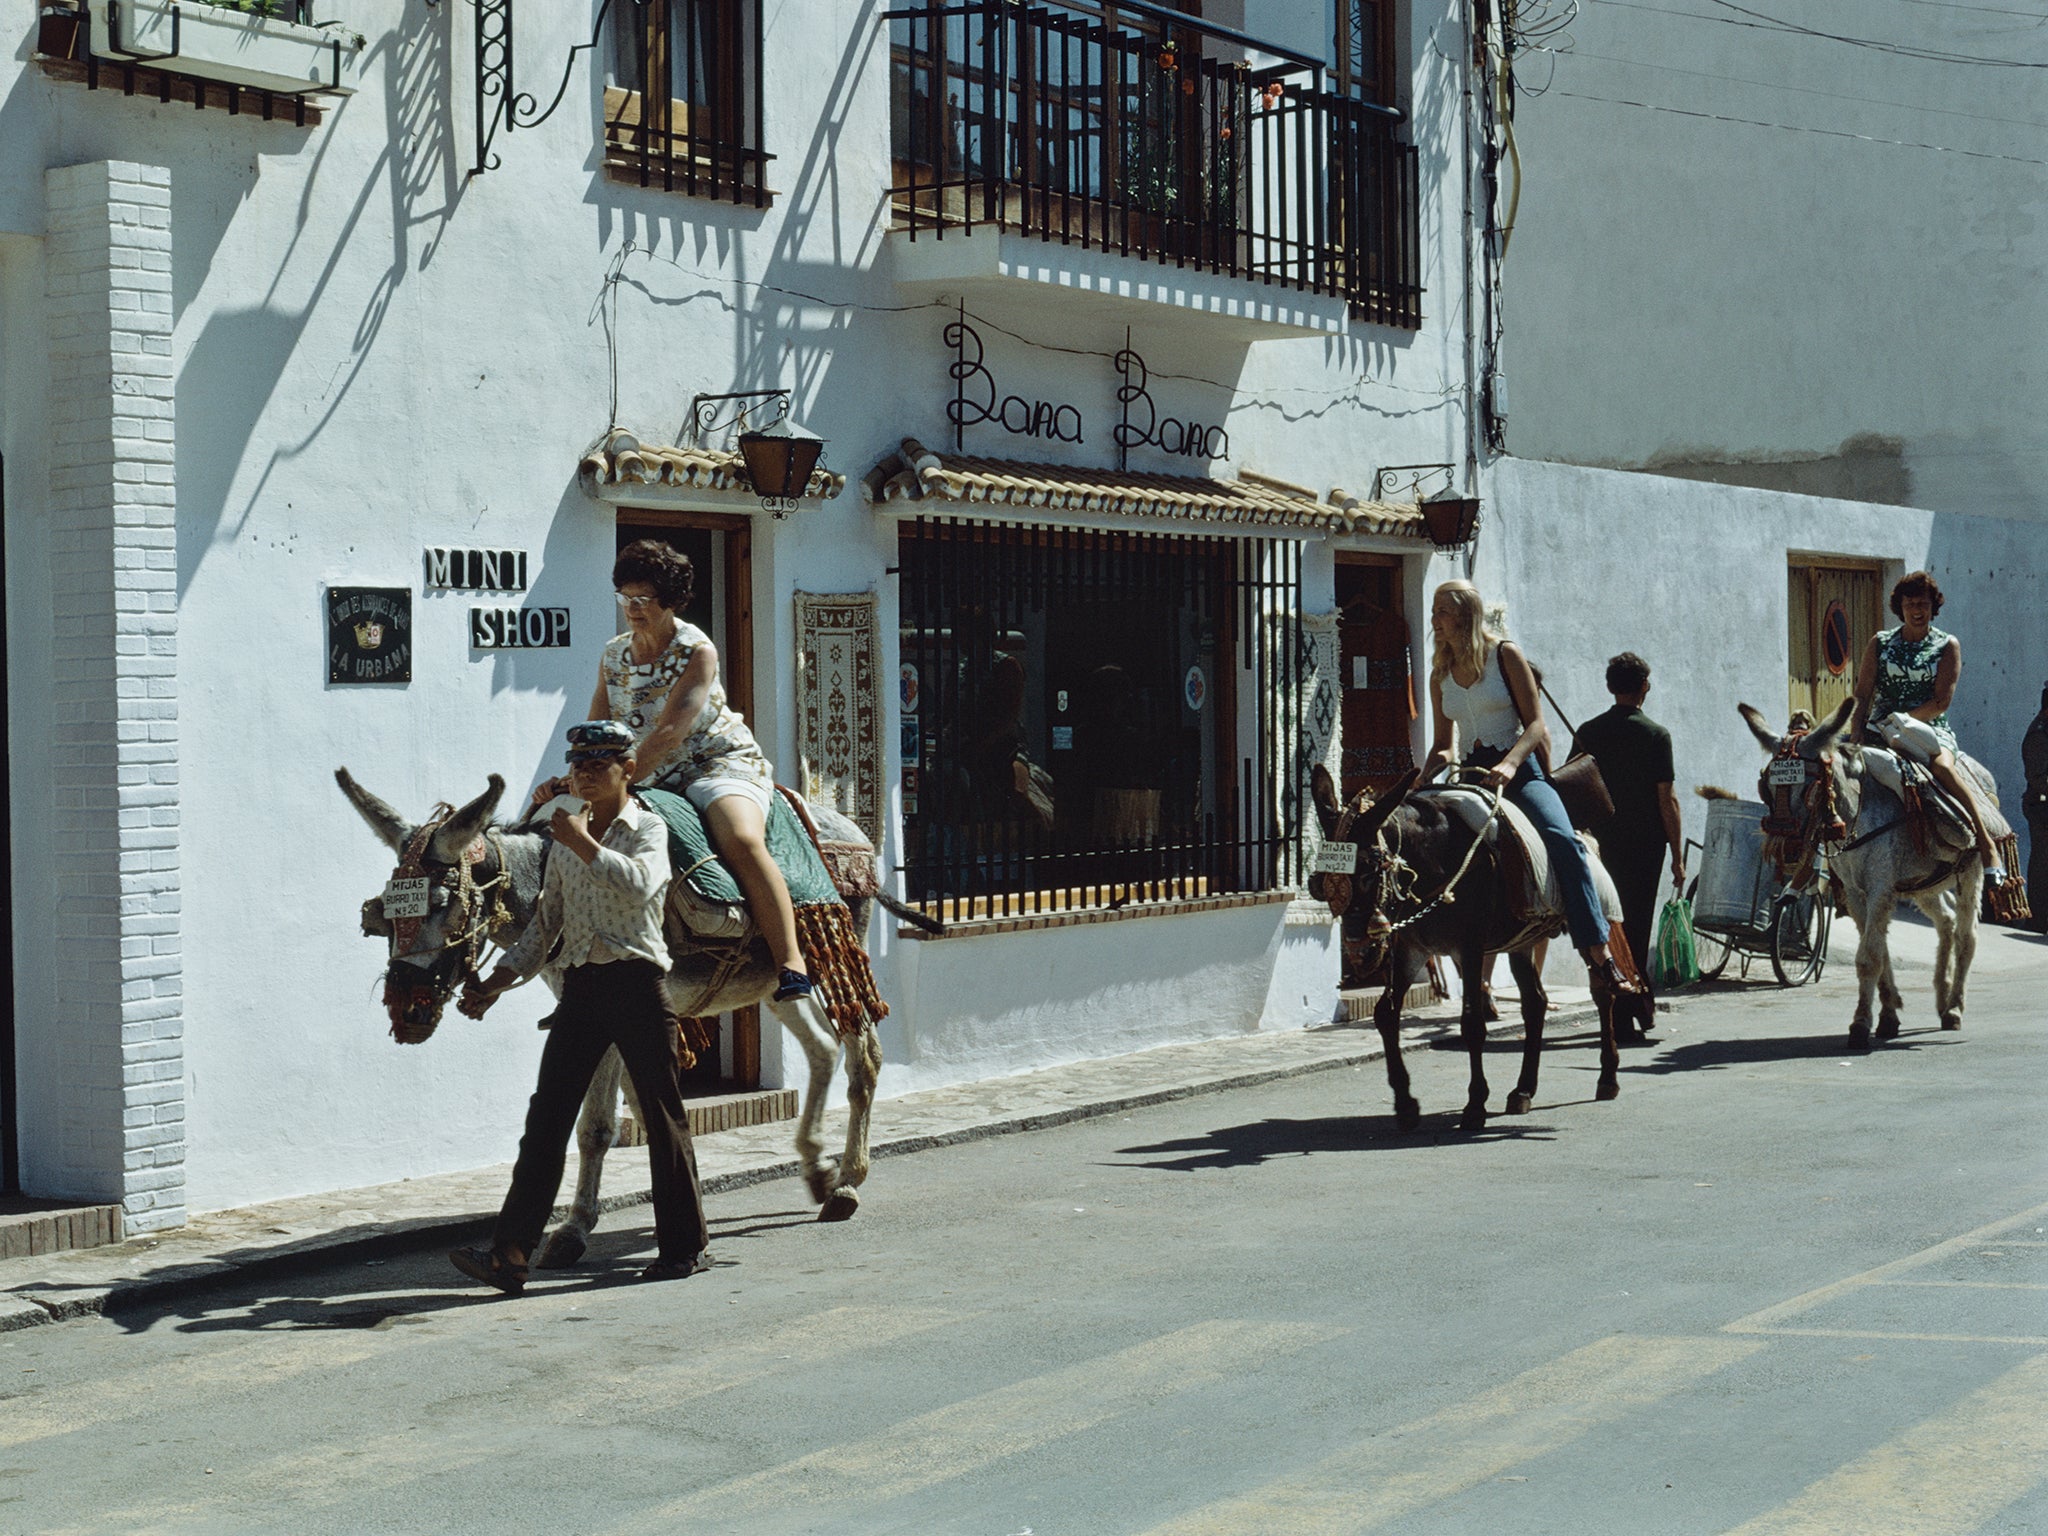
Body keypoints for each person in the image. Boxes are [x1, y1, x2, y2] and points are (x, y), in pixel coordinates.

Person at [453, 721, 712, 1292]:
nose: (585, 775)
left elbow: (641, 886)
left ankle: (684, 1248)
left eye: (599, 764)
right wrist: (496, 982)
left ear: (627, 770)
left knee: (662, 1117)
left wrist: (582, 844)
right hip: (581, 990)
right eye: (578, 765)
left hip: (638, 985)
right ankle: (509, 1254)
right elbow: (545, 924)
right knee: (546, 1120)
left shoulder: (647, 828)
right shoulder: (565, 836)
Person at [531, 539, 810, 1001]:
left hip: (715, 764)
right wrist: (574, 777)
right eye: (625, 598)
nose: (632, 609)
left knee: (741, 838)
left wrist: (618, 780)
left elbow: (668, 734)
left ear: (671, 600)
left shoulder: (696, 650)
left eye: (643, 599)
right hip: (641, 771)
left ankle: (790, 962)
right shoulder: (613, 654)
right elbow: (598, 729)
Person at [1421, 581, 1637, 993]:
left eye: (1442, 611)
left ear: (1466, 614)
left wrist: (1510, 762)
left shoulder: (1505, 654)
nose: (1435, 620)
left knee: (1563, 840)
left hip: (1520, 772)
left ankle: (1598, 954)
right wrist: (1423, 778)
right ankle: (1468, 964)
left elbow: (1536, 724)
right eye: (1433, 611)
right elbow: (1444, 745)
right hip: (1471, 777)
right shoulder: (1440, 673)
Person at [1848, 570, 2001, 879]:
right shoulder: (1880, 643)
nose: (1917, 611)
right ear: (1900, 608)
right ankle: (1810, 870)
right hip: (1879, 728)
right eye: (1910, 604)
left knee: (1943, 769)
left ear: (1933, 607)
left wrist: (1900, 722)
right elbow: (1862, 694)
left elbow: (1941, 702)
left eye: (1923, 604)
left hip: (1929, 728)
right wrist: (1856, 731)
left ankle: (1986, 844)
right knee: (1830, 770)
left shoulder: (1947, 645)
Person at [1574, 652, 1687, 1011]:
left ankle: (1626, 1003)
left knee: (1607, 923)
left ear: (1610, 687)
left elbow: (1573, 785)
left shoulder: (1588, 732)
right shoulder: (1656, 735)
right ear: (1644, 687)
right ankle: (1633, 1004)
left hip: (1601, 843)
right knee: (1636, 924)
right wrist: (1677, 856)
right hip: (1645, 845)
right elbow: (1667, 798)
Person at [2023, 682, 2048, 930]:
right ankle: (2037, 920)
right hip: (2041, 809)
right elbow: (2038, 778)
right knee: (2043, 864)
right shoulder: (2039, 734)